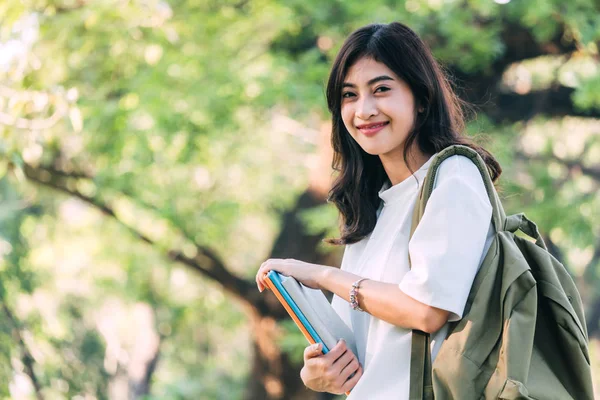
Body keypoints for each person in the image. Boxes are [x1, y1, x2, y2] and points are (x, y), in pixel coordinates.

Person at [255, 21, 501, 398]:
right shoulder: (374, 207)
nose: (364, 110)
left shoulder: (454, 176)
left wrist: (320, 275)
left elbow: (426, 310)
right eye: (349, 95)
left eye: (381, 89)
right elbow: (355, 349)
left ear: (420, 97)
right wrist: (317, 372)